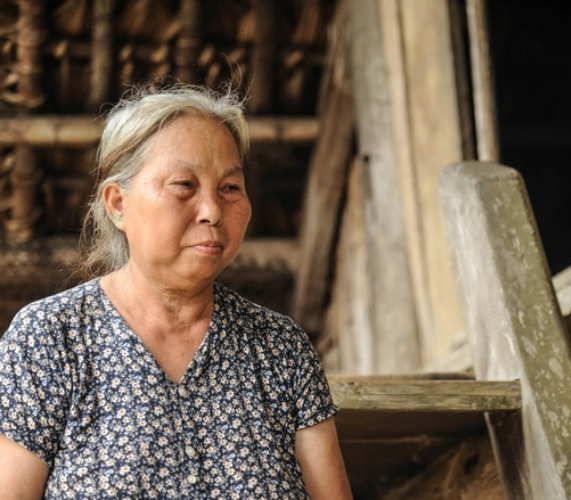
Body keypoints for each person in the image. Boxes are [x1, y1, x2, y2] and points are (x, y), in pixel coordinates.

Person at [0, 82, 352, 499]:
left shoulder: (280, 350)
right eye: (185, 184)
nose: (214, 211)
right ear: (117, 204)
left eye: (230, 187)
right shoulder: (50, 339)